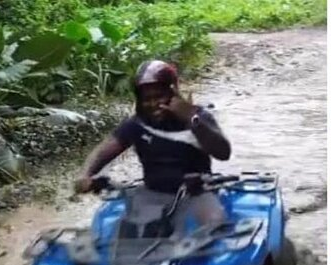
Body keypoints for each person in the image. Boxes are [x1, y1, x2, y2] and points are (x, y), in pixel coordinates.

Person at [74, 59, 232, 230]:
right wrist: (86, 175)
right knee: (121, 234)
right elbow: (104, 150)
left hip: (196, 193)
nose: (153, 104)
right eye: (146, 99)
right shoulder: (137, 124)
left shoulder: (197, 117)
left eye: (159, 96)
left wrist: (190, 118)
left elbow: (223, 152)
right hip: (152, 193)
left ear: (173, 92)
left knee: (215, 225)